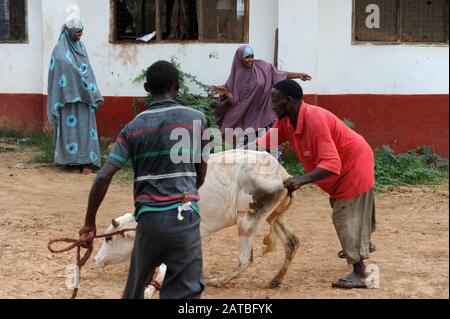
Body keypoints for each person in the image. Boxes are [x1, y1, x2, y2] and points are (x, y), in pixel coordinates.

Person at [79, 60, 209, 299]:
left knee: (135, 291)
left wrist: (89, 222)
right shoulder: (198, 120)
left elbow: (104, 175)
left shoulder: (132, 128)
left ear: (147, 88)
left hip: (148, 220)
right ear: (177, 86)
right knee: (186, 294)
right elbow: (200, 174)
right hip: (184, 217)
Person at [256, 79, 377, 289]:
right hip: (344, 165)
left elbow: (331, 164)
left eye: (275, 102)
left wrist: (301, 180)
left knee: (343, 214)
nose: (272, 106)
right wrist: (235, 154)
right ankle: (359, 244)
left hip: (354, 164)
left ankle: (361, 273)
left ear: (289, 101)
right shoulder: (286, 120)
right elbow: (266, 142)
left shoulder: (314, 119)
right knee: (346, 210)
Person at [212, 45, 312, 148]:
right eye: (247, 57)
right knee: (246, 154)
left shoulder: (262, 67)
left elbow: (278, 74)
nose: (250, 60)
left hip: (264, 116)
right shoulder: (234, 79)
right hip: (245, 122)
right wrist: (227, 94)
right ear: (240, 58)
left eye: (252, 56)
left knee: (268, 150)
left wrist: (298, 75)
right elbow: (235, 102)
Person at [47, 19, 104, 175]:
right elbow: (57, 72)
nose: (80, 35)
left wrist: (89, 87)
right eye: (78, 32)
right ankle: (71, 163)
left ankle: (87, 162)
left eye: (81, 32)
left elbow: (87, 69)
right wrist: (76, 76)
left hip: (85, 97)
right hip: (66, 98)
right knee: (69, 131)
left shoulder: (81, 47)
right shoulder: (58, 50)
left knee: (86, 130)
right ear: (70, 32)